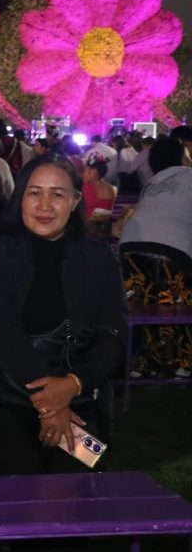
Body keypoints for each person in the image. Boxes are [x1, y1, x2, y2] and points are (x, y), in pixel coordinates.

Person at [0, 154, 126, 476]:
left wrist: (74, 383)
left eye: (57, 194)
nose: (45, 205)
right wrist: (52, 403)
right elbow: (0, 334)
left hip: (79, 397)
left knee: (84, 468)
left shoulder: (99, 259)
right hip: (6, 395)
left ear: (75, 201)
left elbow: (113, 334)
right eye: (34, 192)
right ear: (20, 198)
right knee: (24, 472)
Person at [118, 137, 192, 378]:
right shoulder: (189, 176)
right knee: (176, 306)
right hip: (171, 249)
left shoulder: (154, 181)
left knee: (141, 305)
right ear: (181, 156)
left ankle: (139, 363)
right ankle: (182, 363)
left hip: (131, 245)